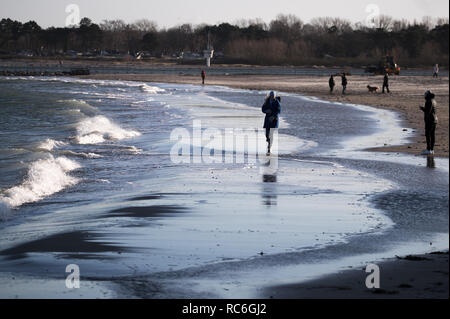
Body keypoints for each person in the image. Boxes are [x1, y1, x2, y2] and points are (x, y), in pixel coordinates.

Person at [420, 90, 438, 155]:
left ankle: (428, 149)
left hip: (430, 120)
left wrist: (422, 108)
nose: (424, 95)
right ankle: (432, 150)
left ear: (427, 95)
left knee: (428, 135)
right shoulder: (433, 100)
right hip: (434, 120)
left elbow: (428, 111)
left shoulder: (429, 101)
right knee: (432, 135)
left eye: (425, 94)